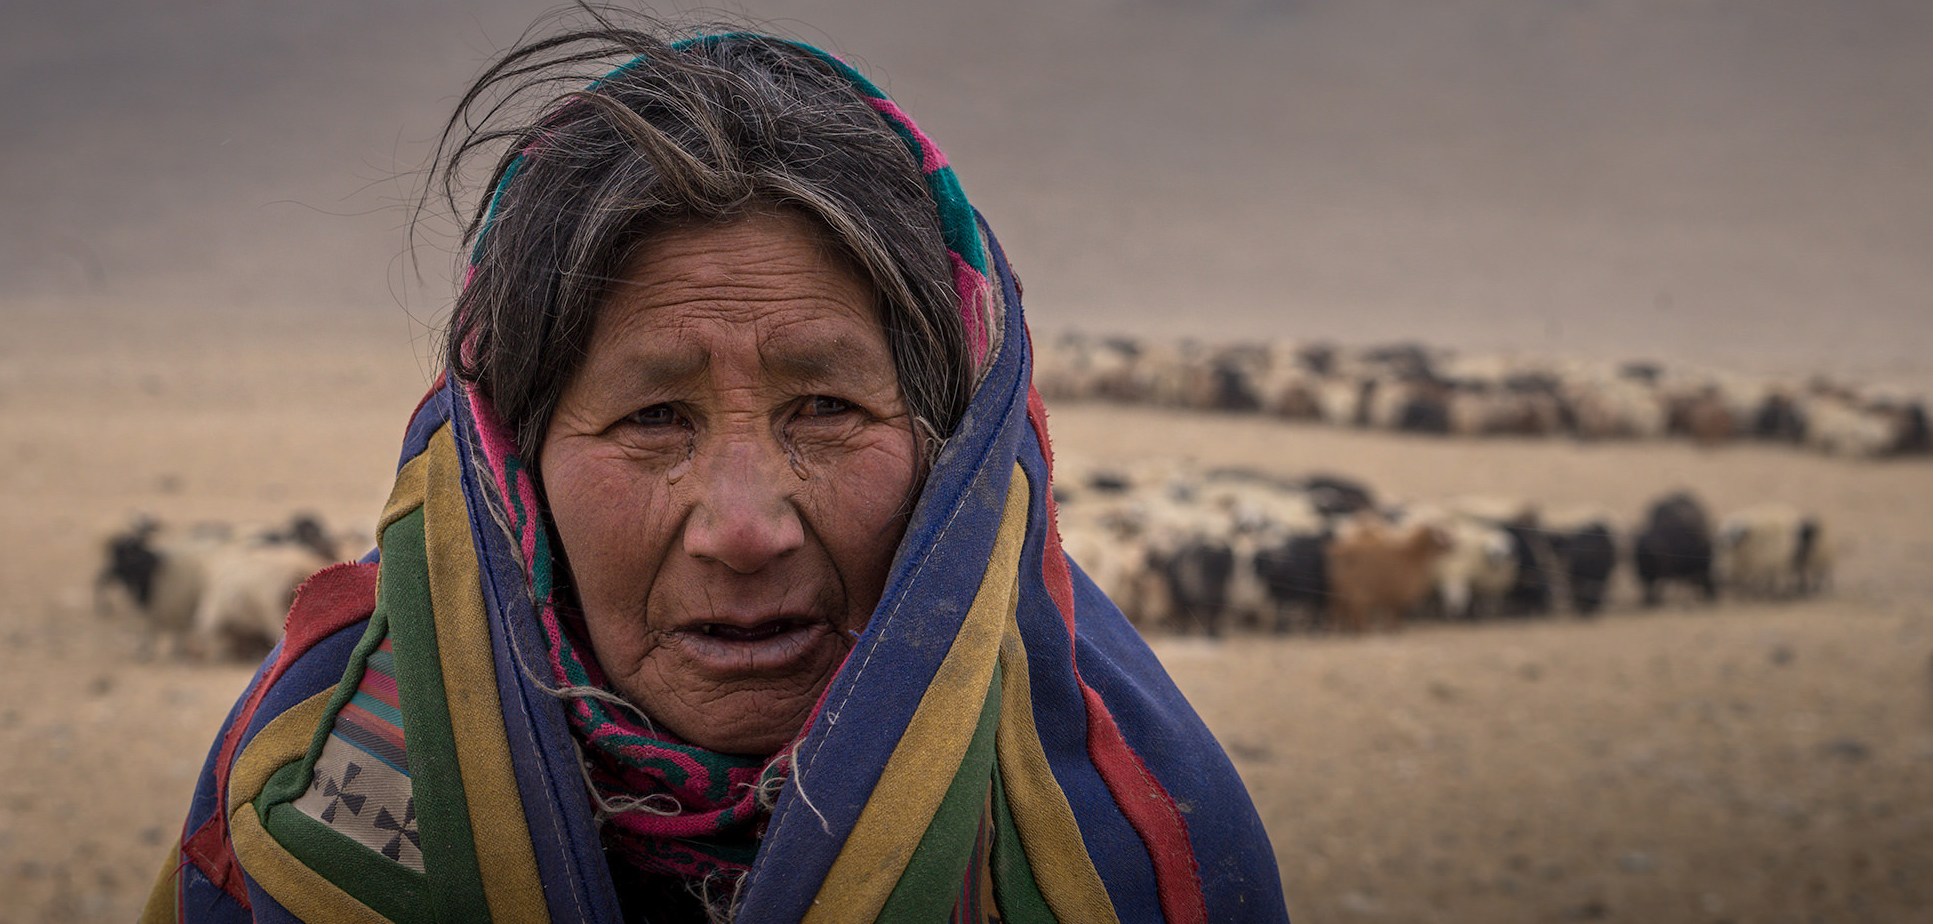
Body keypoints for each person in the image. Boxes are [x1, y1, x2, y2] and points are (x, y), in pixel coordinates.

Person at [142, 10, 1288, 923]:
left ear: (953, 455)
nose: (743, 528)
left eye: (827, 408)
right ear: (514, 469)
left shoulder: (1133, 832)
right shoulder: (299, 798)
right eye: (652, 419)